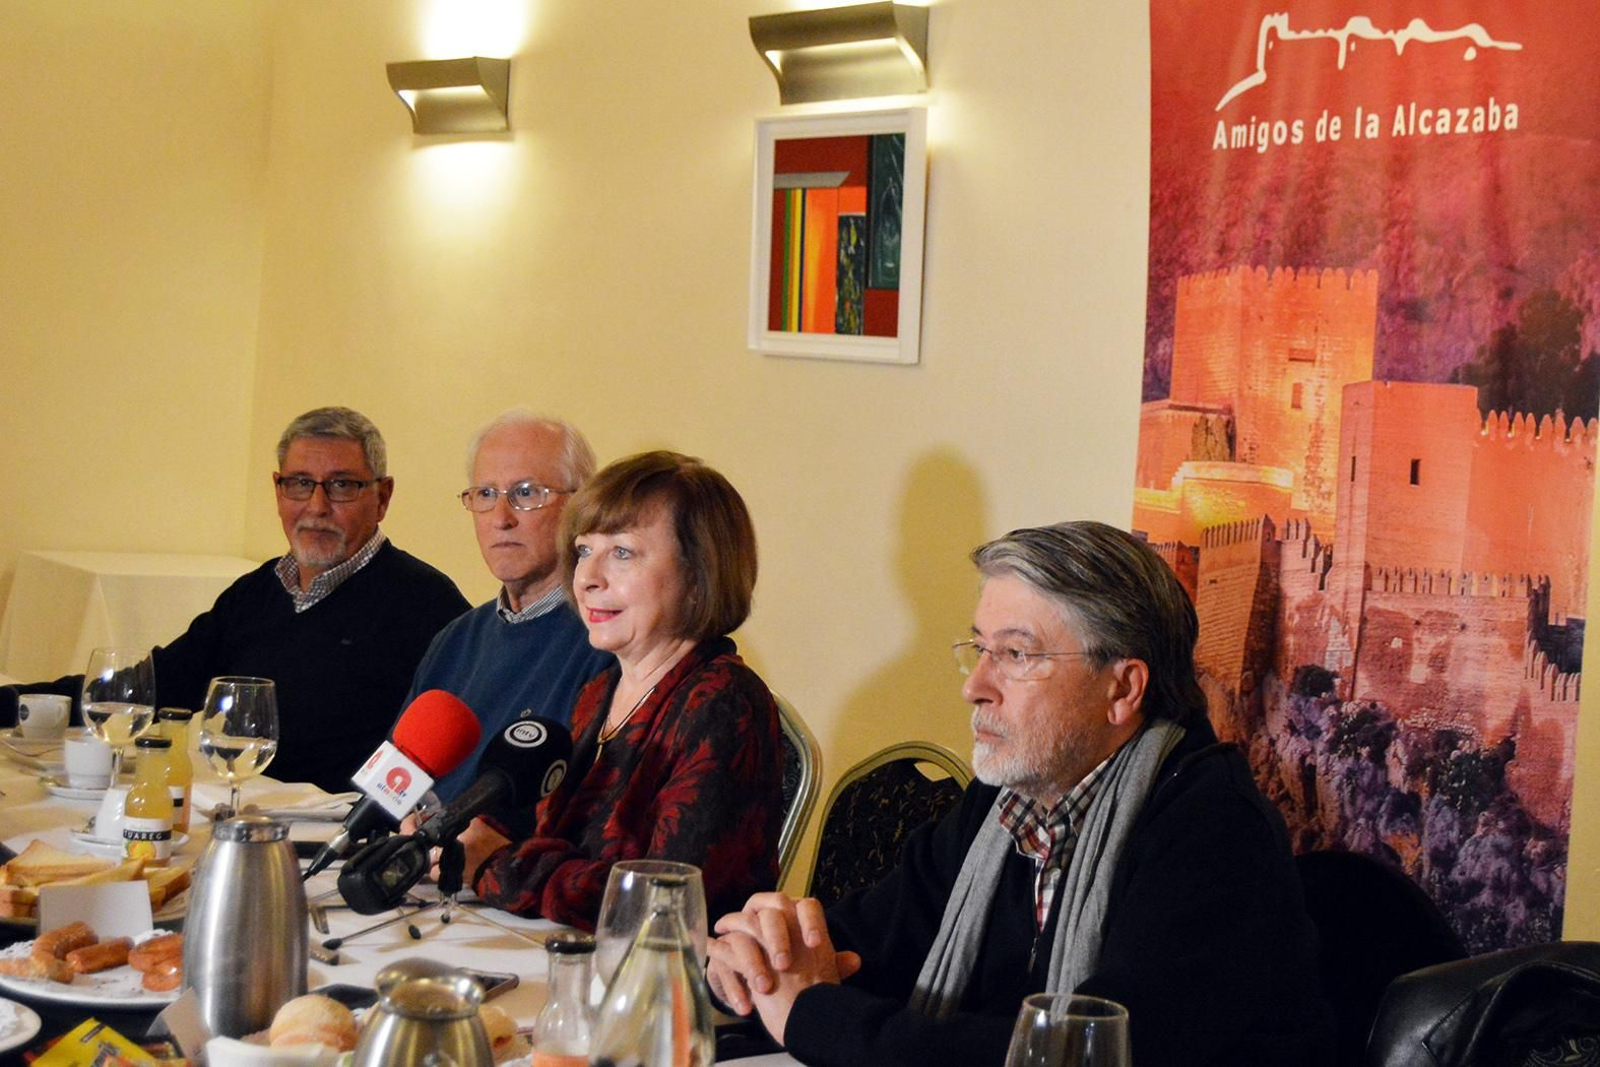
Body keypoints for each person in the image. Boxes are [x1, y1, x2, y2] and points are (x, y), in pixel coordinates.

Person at [706, 521, 1334, 1067]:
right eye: (980, 649)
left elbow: (1083, 1054)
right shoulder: (1005, 803)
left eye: (1015, 654)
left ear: (1123, 689)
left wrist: (815, 1016)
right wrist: (756, 957)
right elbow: (865, 942)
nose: (975, 686)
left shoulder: (1215, 834)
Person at [5, 407, 470, 793]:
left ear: (383, 497)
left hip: (344, 843)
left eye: (343, 485)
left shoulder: (426, 604)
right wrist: (11, 704)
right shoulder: (257, 592)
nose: (316, 505)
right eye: (300, 483)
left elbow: (459, 747)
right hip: (244, 812)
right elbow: (155, 686)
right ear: (278, 489)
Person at [454, 450, 784, 929]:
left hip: (666, 989)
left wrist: (497, 864)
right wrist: (465, 832)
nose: (587, 578)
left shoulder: (723, 704)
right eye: (585, 550)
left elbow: (659, 908)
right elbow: (548, 831)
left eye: (622, 553)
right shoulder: (601, 690)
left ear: (698, 573)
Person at [399, 411, 613, 803]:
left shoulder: (605, 642)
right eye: (485, 495)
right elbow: (393, 786)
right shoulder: (455, 639)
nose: (501, 519)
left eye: (526, 493)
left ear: (582, 505)